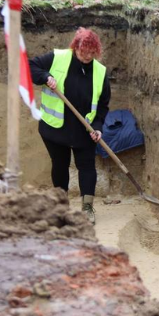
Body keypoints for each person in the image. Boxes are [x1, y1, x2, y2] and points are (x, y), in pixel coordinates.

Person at [29, 28, 112, 224]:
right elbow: (30, 66)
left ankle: (87, 207)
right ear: (76, 47)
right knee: (60, 165)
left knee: (86, 166)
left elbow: (103, 105)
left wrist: (98, 127)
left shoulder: (100, 72)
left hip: (85, 130)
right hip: (55, 128)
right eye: (83, 52)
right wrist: (45, 77)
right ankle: (61, 206)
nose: (87, 57)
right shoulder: (57, 57)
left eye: (92, 53)